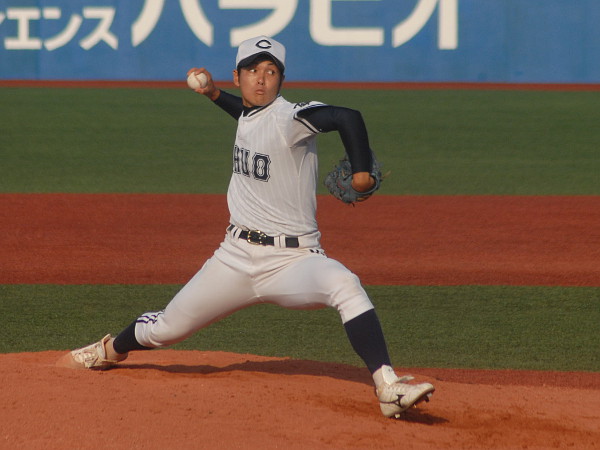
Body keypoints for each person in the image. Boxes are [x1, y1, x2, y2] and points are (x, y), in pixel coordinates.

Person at [59, 35, 434, 418]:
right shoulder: (251, 114)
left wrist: (360, 175)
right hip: (234, 259)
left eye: (271, 72)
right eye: (253, 70)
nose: (262, 79)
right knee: (167, 329)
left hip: (294, 261)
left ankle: (388, 386)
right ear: (237, 76)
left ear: (281, 80)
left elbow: (346, 117)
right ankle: (110, 350)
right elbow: (247, 114)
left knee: (345, 284)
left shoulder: (292, 117)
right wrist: (213, 95)